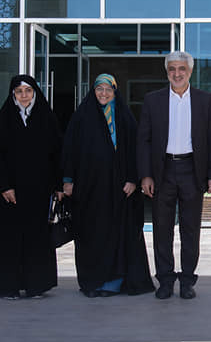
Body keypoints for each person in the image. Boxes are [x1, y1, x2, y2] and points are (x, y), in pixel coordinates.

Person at [62, 74, 155, 297]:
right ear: (93, 91)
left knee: (118, 235)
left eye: (108, 89)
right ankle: (93, 282)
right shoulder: (81, 117)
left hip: (119, 190)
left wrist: (132, 179)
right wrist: (67, 180)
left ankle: (114, 283)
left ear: (115, 92)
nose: (104, 93)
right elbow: (69, 150)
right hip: (89, 189)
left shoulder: (124, 117)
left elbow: (135, 150)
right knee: (91, 235)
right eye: (99, 89)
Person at [137, 51, 211, 300]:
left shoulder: (205, 100)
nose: (177, 73)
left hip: (192, 170)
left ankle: (187, 281)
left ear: (190, 71)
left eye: (182, 68)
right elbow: (144, 140)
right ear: (167, 72)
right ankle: (165, 280)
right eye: (172, 69)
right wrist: (146, 175)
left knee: (190, 230)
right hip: (162, 171)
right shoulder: (153, 100)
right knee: (162, 229)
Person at [0, 75, 63, 300]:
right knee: (10, 238)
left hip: (39, 190)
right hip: (11, 193)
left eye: (28, 91)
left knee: (36, 238)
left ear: (35, 93)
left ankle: (36, 285)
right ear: (13, 94)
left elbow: (57, 153)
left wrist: (58, 185)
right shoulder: (4, 119)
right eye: (19, 91)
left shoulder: (46, 118)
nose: (24, 96)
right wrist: (4, 185)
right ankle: (9, 286)